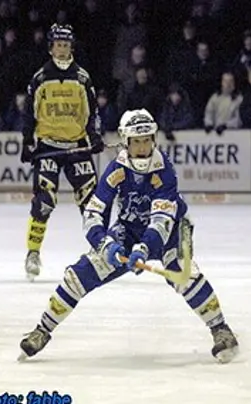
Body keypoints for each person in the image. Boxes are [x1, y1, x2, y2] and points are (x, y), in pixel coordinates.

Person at [19, 109, 239, 363]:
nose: (143, 147)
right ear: (126, 141)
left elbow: (162, 221)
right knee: (79, 275)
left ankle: (221, 329)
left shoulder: (165, 170)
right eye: (137, 141)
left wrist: (143, 249)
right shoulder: (116, 170)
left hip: (174, 230)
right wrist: (105, 244)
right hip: (129, 230)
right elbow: (93, 213)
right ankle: (42, 330)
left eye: (147, 139)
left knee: (184, 274)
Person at [20, 23, 104, 281]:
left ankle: (99, 249)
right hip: (48, 146)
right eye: (58, 45)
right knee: (43, 202)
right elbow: (29, 113)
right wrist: (27, 142)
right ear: (50, 47)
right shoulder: (40, 78)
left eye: (66, 45)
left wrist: (95, 136)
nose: (62, 50)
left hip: (77, 147)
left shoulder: (82, 78)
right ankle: (33, 253)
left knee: (92, 203)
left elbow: (92, 112)